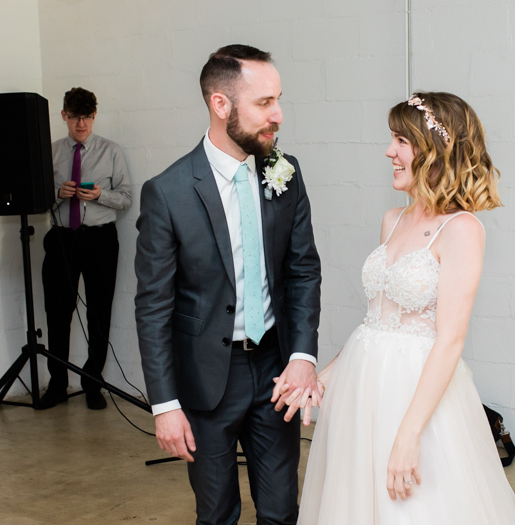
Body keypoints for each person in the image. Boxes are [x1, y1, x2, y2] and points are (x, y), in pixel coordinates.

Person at [296, 93, 515, 524]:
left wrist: (407, 435)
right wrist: (322, 378)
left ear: (434, 149)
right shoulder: (392, 219)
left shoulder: (462, 230)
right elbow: (376, 322)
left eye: (401, 140)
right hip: (363, 389)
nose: (390, 152)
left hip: (416, 395)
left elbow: (450, 340)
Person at [134, 45, 322, 525]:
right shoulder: (169, 193)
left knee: (282, 510)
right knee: (217, 514)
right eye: (264, 103)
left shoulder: (286, 173)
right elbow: (153, 306)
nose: (277, 115)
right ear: (221, 105)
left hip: (275, 370)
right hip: (207, 380)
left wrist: (302, 356)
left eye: (278, 99)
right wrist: (165, 404)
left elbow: (303, 271)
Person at [38, 87, 132, 411]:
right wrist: (58, 193)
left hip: (100, 239)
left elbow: (126, 197)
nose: (82, 124)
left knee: (99, 313)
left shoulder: (112, 151)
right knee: (57, 313)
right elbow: (38, 201)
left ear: (94, 115)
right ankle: (58, 384)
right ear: (64, 115)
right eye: (76, 117)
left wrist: (101, 195)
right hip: (63, 238)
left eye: (88, 117)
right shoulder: (50, 153)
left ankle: (93, 384)